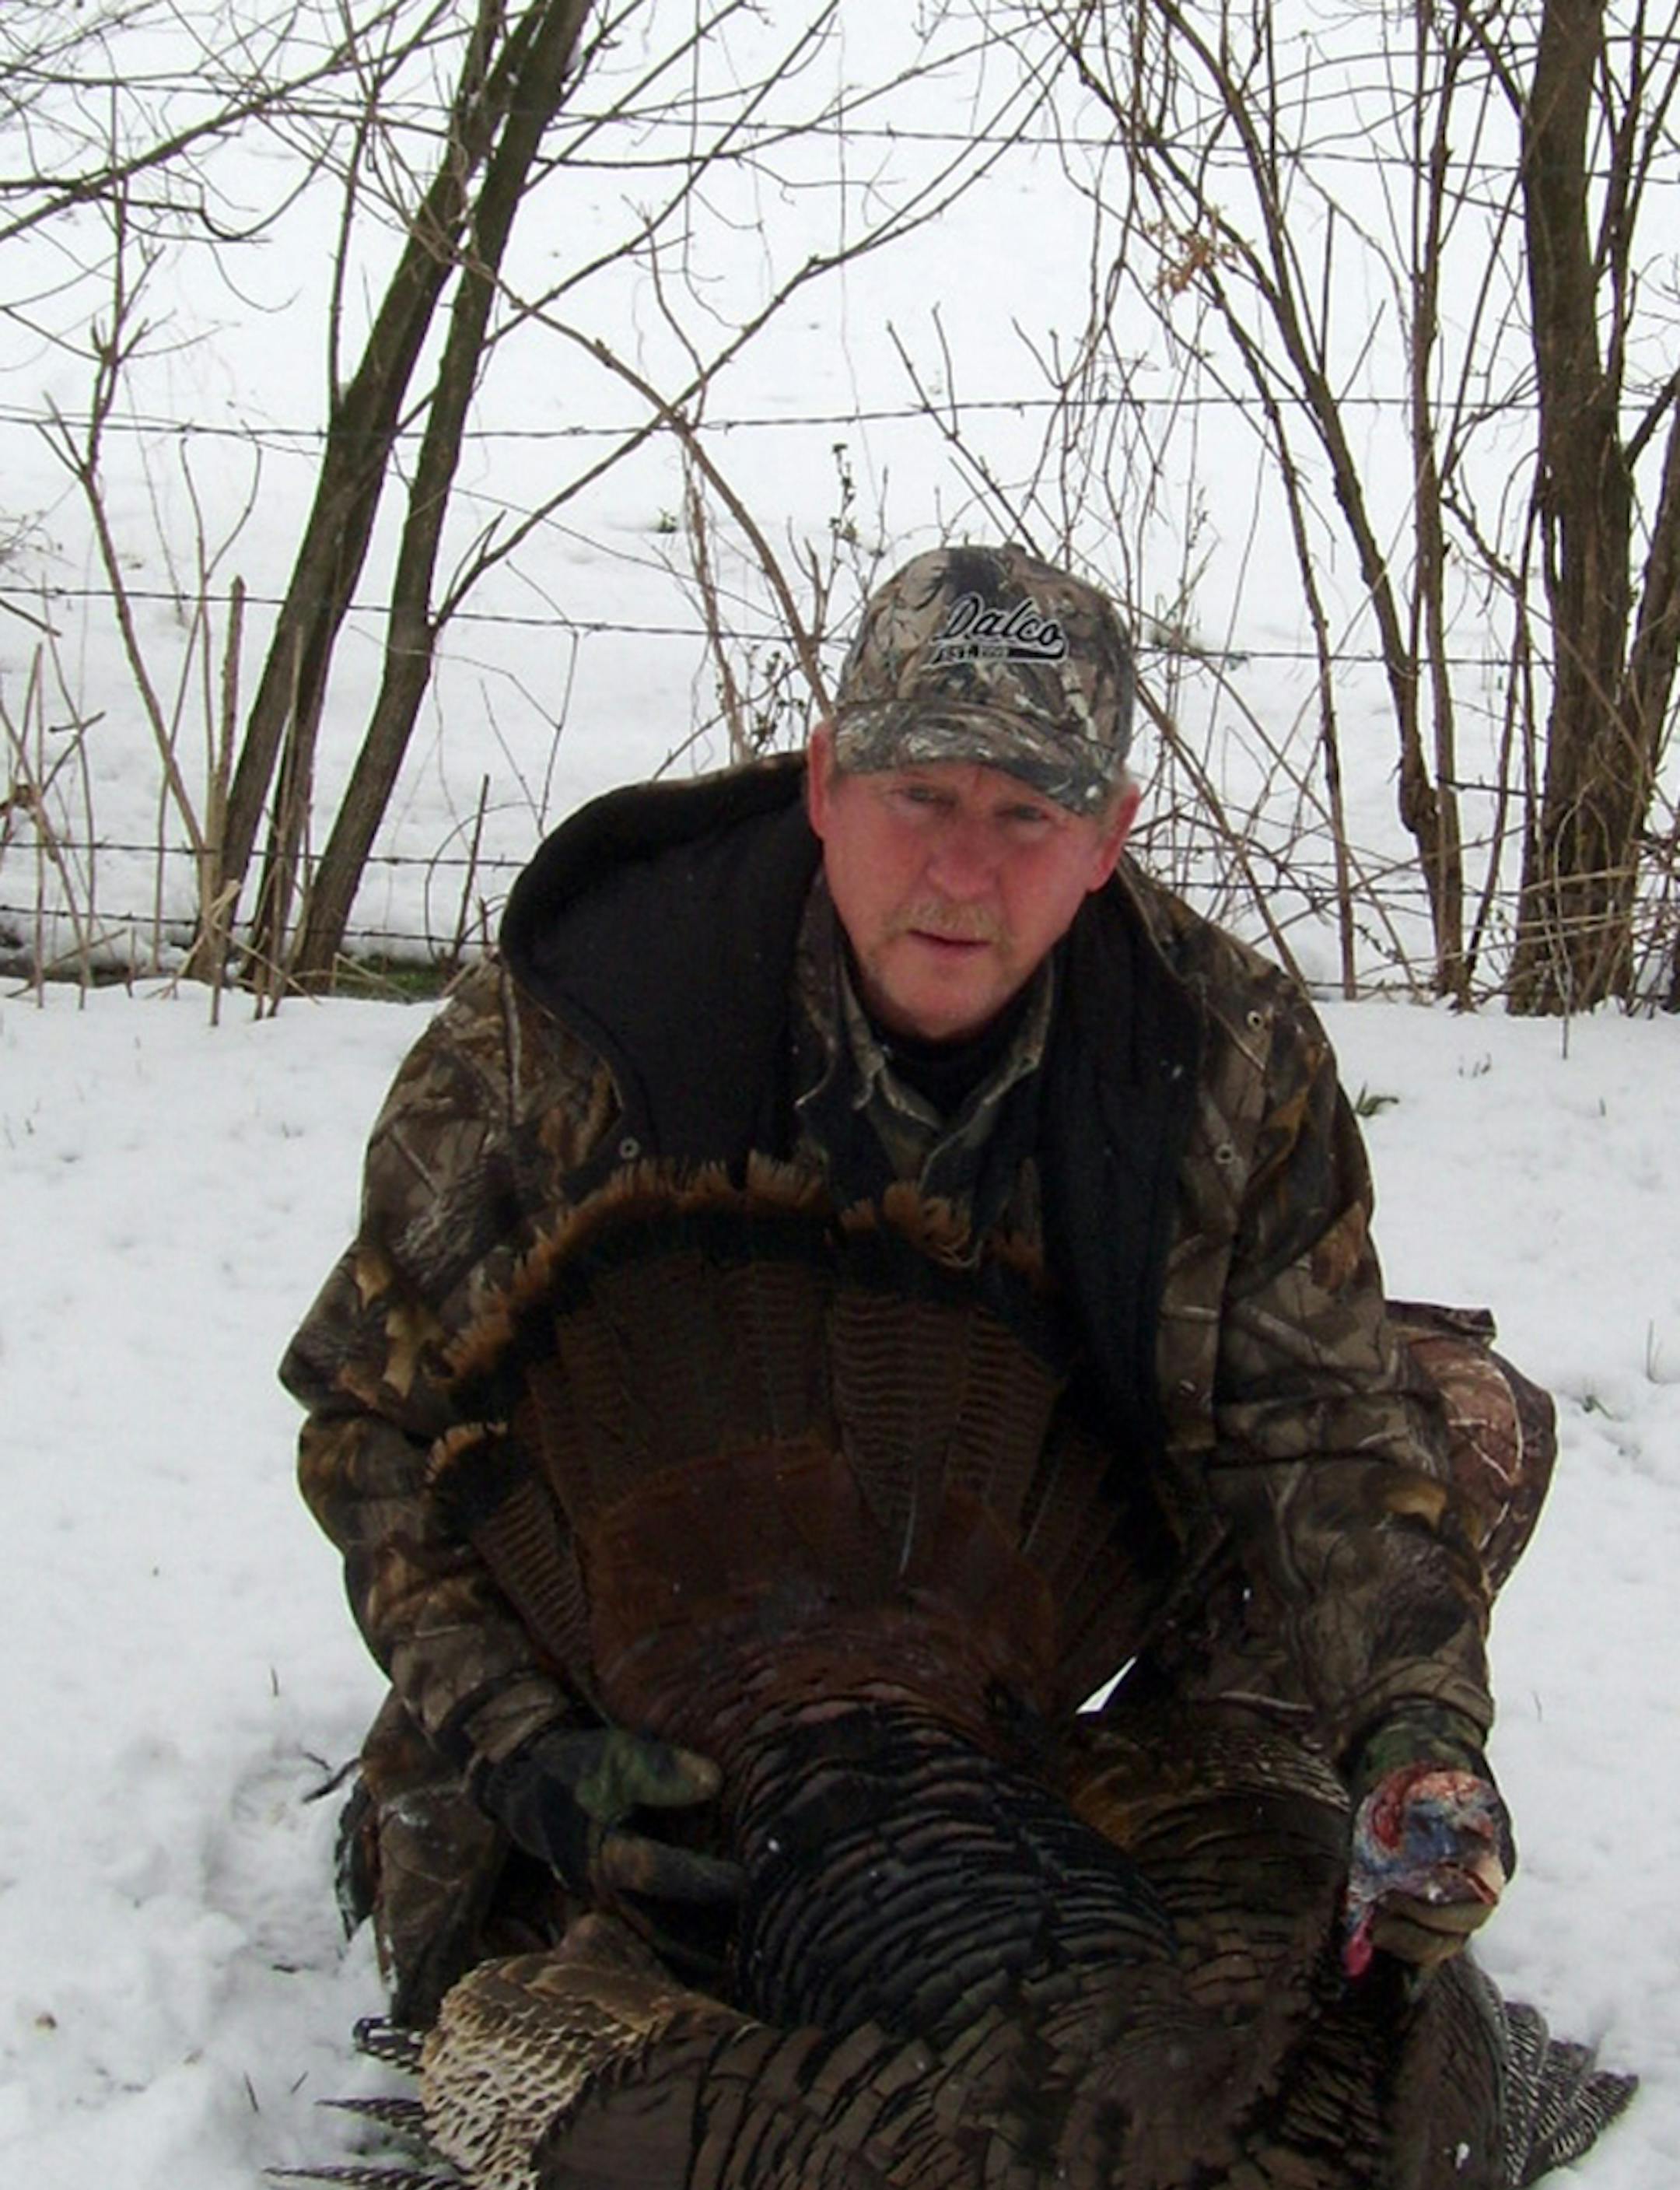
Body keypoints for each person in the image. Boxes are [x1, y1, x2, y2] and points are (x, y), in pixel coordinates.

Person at [282, 543, 1545, 2027]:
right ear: (824, 786)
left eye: (1027, 814)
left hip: (1004, 1634)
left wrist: (1419, 1735)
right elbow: (371, 1423)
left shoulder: (1222, 1055)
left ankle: (1135, 1798)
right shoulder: (591, 1015)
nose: (963, 869)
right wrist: (520, 1740)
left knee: (1456, 1418)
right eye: (920, 797)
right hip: (668, 1658)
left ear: (1109, 836)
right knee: (559, 1995)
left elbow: (1329, 1430)